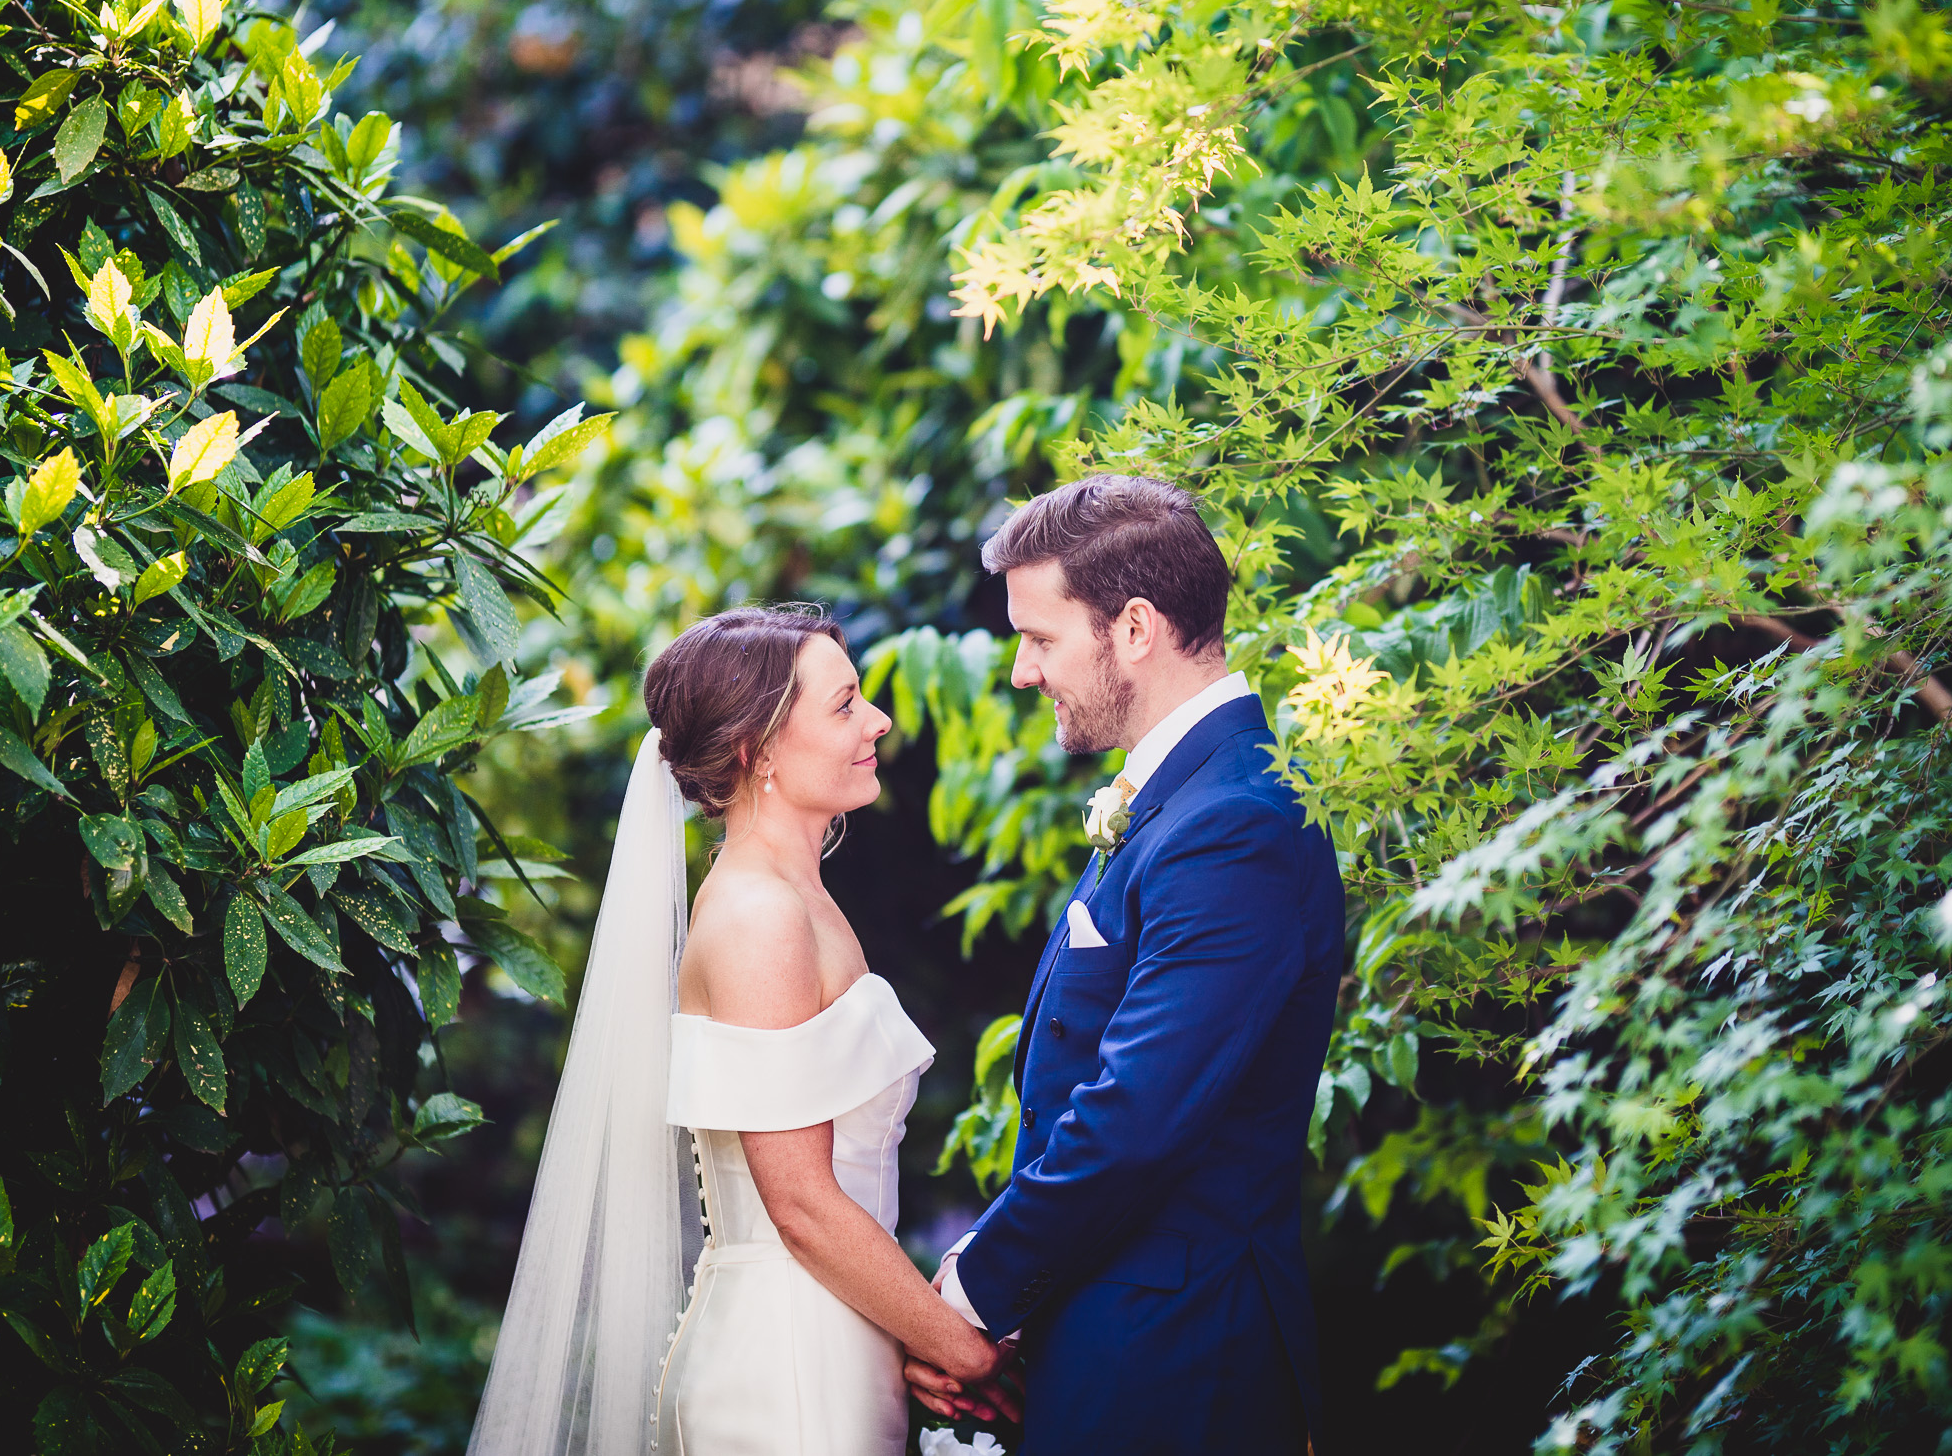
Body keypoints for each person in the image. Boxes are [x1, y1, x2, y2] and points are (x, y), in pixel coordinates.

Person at [465, 604, 1017, 1456]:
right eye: (844, 706)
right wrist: (964, 1351)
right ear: (757, 750)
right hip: (788, 1372)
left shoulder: (799, 897)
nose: (878, 720)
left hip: (836, 1338)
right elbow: (798, 1201)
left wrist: (915, 1331)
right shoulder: (760, 915)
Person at [906, 475, 1346, 1453]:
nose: (1023, 671)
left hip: (1184, 1364)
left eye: (1041, 637)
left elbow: (1137, 1115)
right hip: (1121, 1341)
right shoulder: (1183, 800)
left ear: (1135, 627)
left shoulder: (1233, 822)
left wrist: (975, 1290)